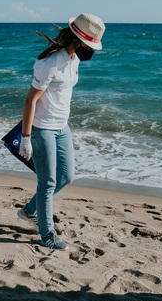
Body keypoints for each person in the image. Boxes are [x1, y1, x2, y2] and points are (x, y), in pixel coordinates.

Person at [16, 13, 105, 250]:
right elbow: (29, 101)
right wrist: (26, 138)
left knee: (66, 176)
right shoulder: (50, 64)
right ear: (79, 40)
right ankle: (47, 235)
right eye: (90, 45)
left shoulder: (73, 59)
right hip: (42, 128)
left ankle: (28, 211)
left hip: (62, 127)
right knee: (47, 182)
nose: (91, 51)